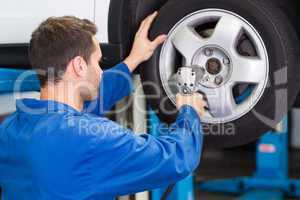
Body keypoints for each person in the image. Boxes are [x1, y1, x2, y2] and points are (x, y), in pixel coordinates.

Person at [0, 12, 206, 200]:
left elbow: (73, 113)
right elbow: (176, 159)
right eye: (98, 62)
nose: (100, 71)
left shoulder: (11, 129)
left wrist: (134, 59)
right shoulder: (89, 139)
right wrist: (190, 113)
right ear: (79, 65)